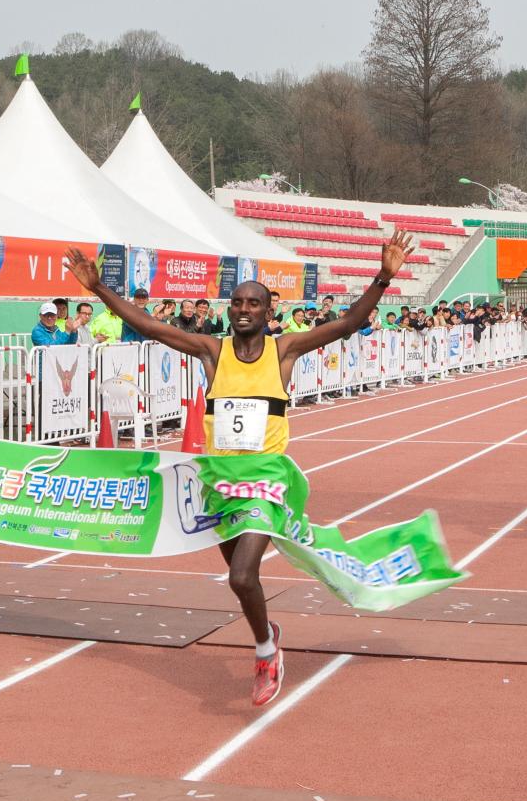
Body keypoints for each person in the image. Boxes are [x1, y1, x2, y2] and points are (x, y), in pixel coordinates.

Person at [64, 229, 415, 706]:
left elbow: (349, 323)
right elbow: (151, 328)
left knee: (242, 577)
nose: (243, 310)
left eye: (253, 303)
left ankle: (266, 650)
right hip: (219, 481)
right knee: (239, 575)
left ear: (269, 312)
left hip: (266, 478)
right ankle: (266, 626)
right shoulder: (213, 352)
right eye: (236, 304)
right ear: (229, 310)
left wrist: (382, 277)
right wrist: (99, 289)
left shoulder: (284, 350)